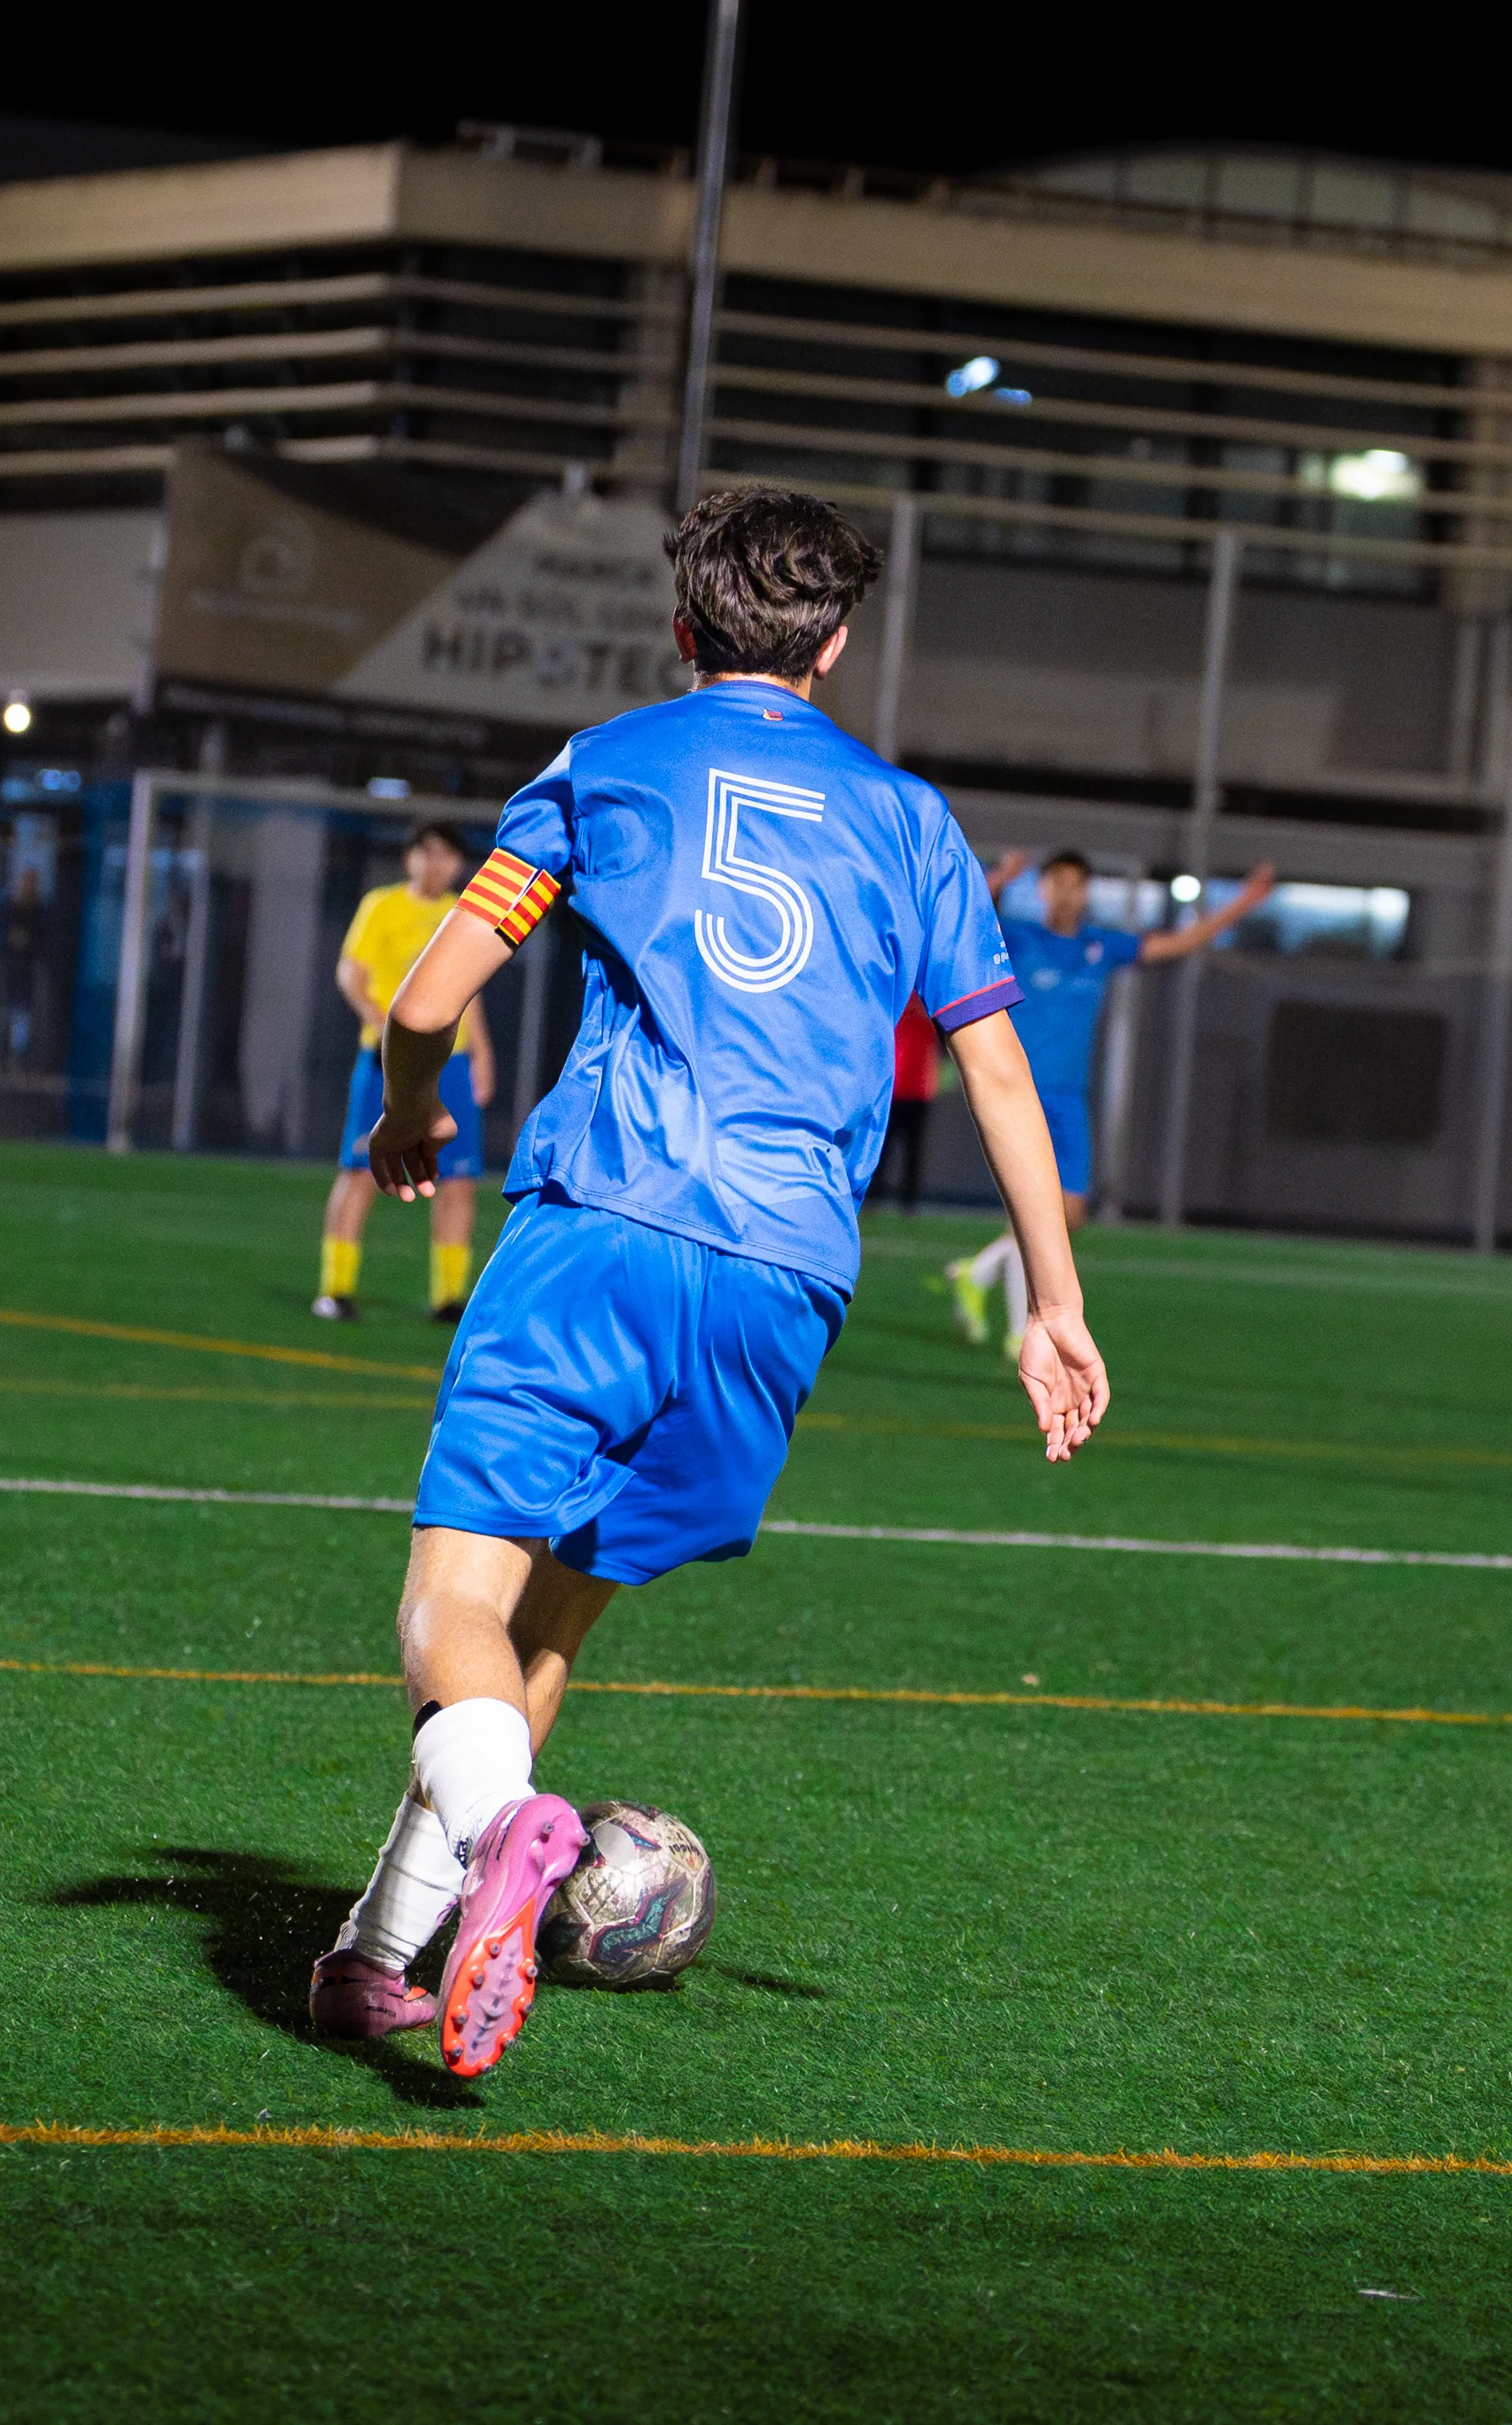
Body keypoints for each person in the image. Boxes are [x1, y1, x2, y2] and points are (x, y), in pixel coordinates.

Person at [307, 487, 1109, 2076]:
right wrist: (1050, 1296)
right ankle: (373, 1951)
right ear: (834, 642)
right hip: (781, 1278)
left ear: (681, 631)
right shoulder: (908, 819)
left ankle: (510, 1831)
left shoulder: (605, 765)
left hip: (601, 1222)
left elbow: (427, 994)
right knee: (547, 1623)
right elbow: (996, 1072)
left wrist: (409, 1109)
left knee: (448, 1605)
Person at [947, 847, 1274, 1355]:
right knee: (1033, 1216)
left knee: (1068, 1217)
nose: (1066, 893)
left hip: (1070, 1101)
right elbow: (967, 916)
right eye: (1056, 883)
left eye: (1076, 884)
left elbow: (1181, 942)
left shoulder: (1101, 947)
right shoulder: (1018, 936)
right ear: (1042, 889)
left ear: (1086, 891)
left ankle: (979, 1271)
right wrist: (998, 878)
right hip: (1021, 1097)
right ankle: (1019, 1329)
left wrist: (1246, 902)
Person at [313, 821, 495, 1324]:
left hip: (451, 1064)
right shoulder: (382, 906)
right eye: (426, 852)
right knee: (362, 1171)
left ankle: (448, 1299)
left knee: (458, 1181)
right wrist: (392, 1029)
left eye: (447, 855)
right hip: (388, 1063)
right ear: (409, 858)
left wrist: (483, 1055)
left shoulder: (465, 912)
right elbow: (352, 976)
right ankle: (335, 1289)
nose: (436, 864)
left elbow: (470, 992)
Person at [872, 993, 941, 1213]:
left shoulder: (902, 1002)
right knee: (893, 1150)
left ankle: (903, 1201)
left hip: (911, 1088)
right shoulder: (921, 1005)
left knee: (901, 1150)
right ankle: (886, 1198)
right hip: (903, 1088)